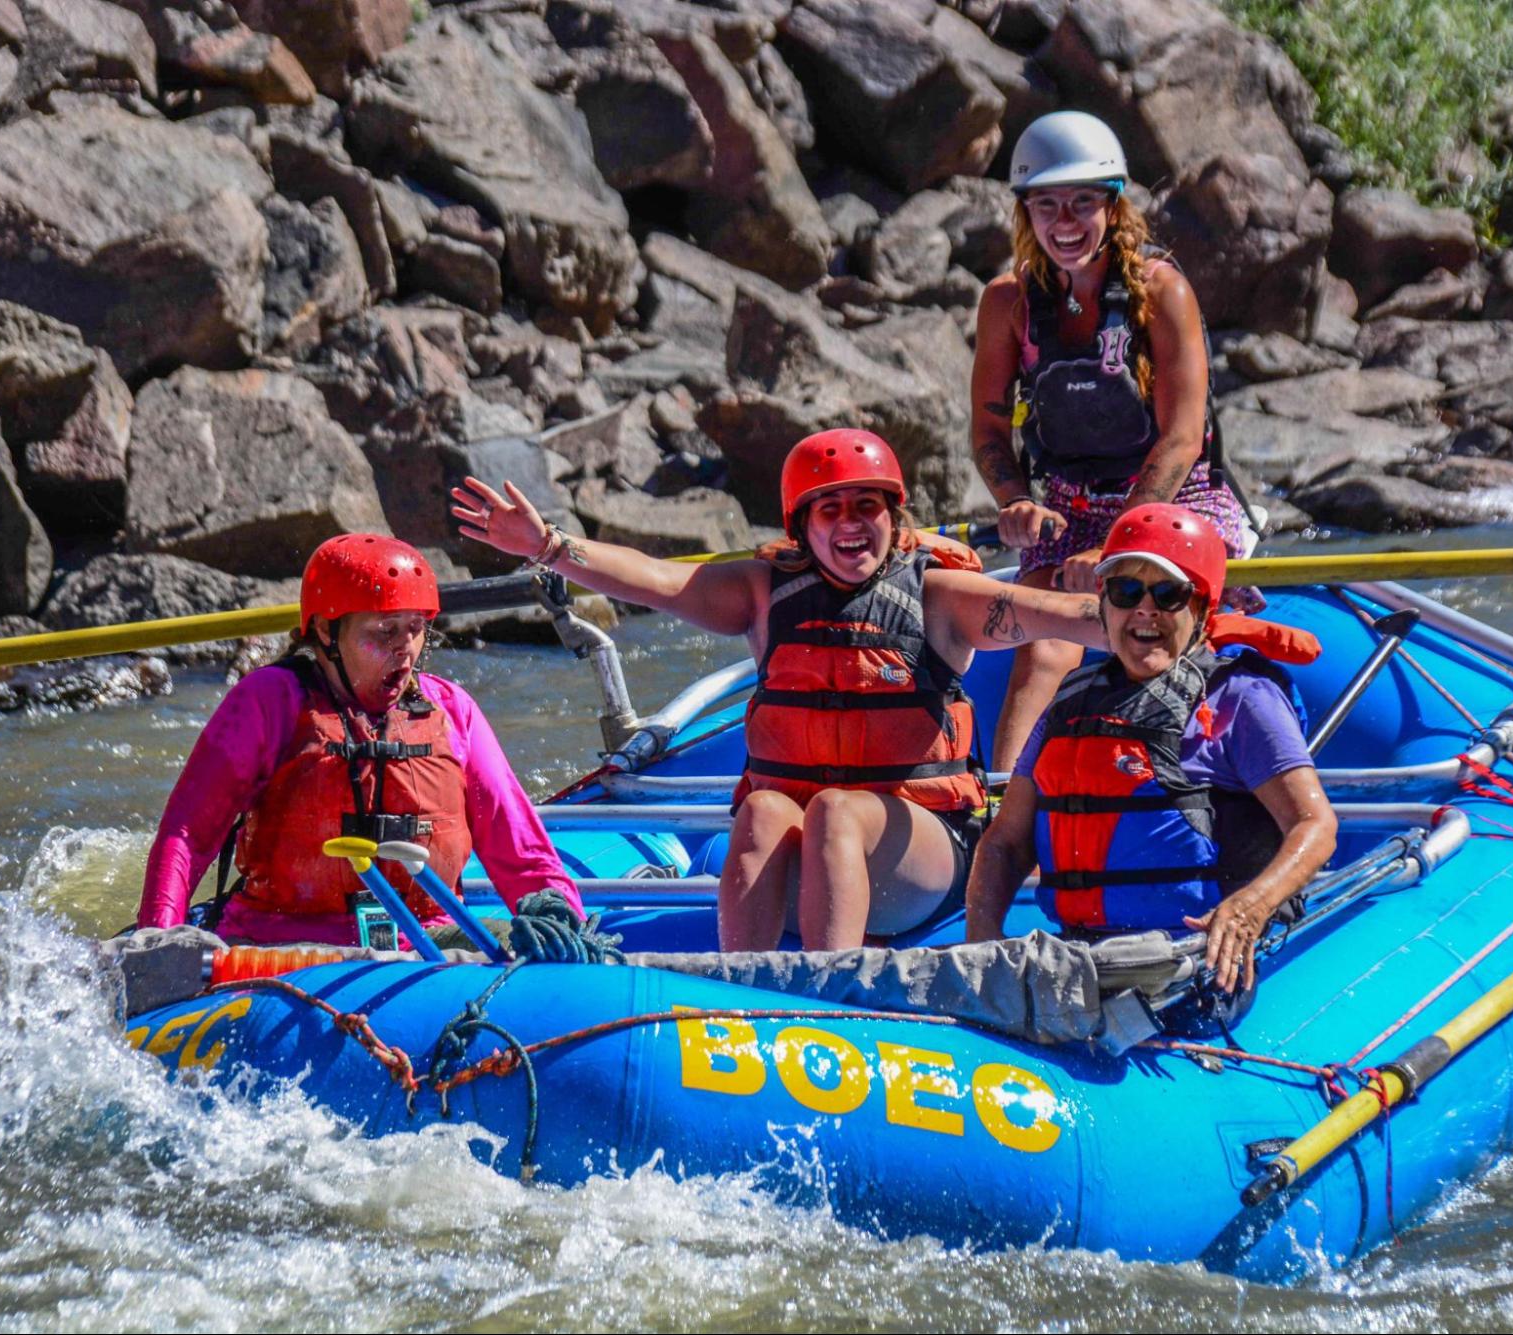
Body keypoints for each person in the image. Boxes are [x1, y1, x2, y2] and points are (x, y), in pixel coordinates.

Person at [451, 429, 1108, 952]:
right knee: (765, 810)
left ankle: (829, 990)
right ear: (802, 525)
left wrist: (1130, 596)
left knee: (836, 810)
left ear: (891, 514)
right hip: (803, 868)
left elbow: (1052, 615)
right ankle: (745, 988)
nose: (850, 522)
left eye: (866, 506)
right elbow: (650, 578)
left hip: (920, 859)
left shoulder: (939, 596)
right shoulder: (764, 593)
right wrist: (547, 545)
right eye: (831, 508)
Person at [969, 109, 1256, 779]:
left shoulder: (1162, 293)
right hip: (1068, 508)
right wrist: (1014, 501)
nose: (1063, 223)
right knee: (1042, 643)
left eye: (1080, 203)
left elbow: (1183, 437)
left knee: (1153, 623)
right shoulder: (1005, 303)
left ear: (1112, 205)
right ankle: (1003, 809)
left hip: (1169, 499)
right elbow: (987, 430)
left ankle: (1190, 778)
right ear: (1025, 212)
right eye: (1046, 205)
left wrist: (1118, 542)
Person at [136, 533, 582, 948]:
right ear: (328, 632)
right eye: (385, 631)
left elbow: (518, 844)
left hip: (424, 942)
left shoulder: (452, 709)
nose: (405, 648)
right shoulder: (269, 700)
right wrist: (156, 940)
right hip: (279, 946)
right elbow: (188, 834)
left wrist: (558, 916)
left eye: (415, 628)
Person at [965, 504, 1334, 995]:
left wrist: (1250, 907)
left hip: (1189, 963)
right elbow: (1007, 841)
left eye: (1169, 593)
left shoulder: (1240, 696)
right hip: (1081, 954)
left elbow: (1316, 825)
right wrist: (983, 944)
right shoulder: (1072, 701)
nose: (1144, 608)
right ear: (1104, 603)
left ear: (1202, 608)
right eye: (1125, 590)